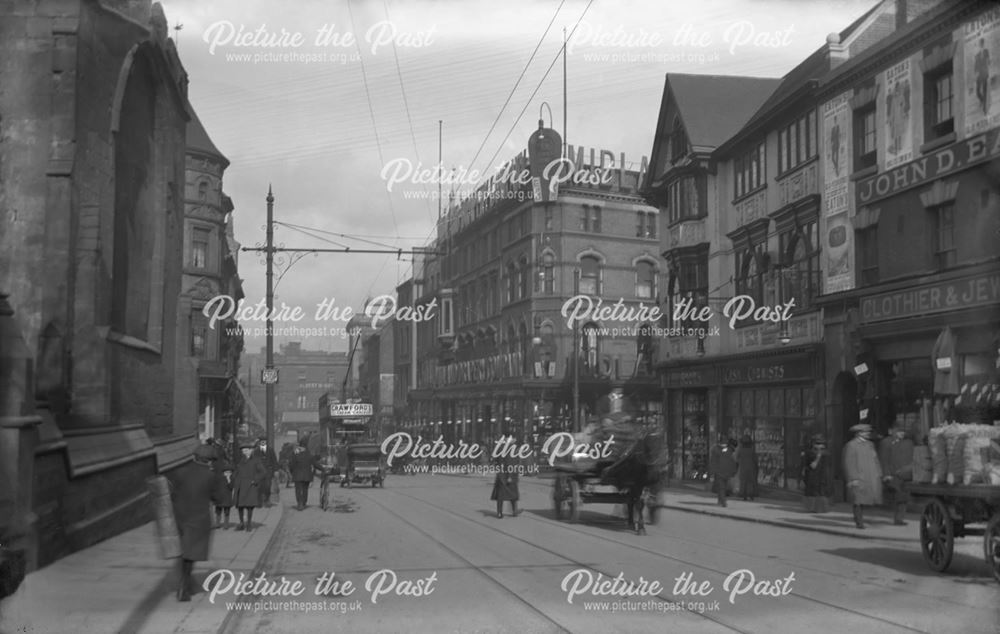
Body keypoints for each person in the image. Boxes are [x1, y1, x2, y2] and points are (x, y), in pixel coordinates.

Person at [170, 445, 221, 602]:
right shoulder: (210, 476)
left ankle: (185, 582)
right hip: (198, 518)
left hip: (179, 516)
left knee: (184, 551)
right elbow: (217, 497)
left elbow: (172, 491)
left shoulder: (181, 471)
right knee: (190, 554)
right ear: (209, 460)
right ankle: (184, 588)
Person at [843, 423, 883, 529]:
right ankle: (859, 522)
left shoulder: (870, 444)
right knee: (858, 500)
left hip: (870, 476)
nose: (868, 434)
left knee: (870, 498)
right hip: (859, 477)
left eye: (868, 432)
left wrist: (879, 473)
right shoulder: (851, 445)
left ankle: (868, 520)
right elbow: (849, 462)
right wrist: (853, 478)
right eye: (865, 432)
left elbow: (875, 459)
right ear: (859, 433)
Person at [879, 420, 914, 526]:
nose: (901, 433)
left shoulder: (908, 443)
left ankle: (899, 518)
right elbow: (884, 460)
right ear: (892, 431)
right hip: (893, 474)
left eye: (903, 431)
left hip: (906, 474)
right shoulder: (886, 442)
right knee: (899, 496)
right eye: (899, 431)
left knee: (904, 497)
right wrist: (886, 474)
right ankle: (897, 518)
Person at [233, 443, 268, 531]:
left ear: (251, 451)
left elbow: (263, 472)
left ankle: (248, 524)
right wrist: (233, 478)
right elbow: (236, 471)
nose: (244, 452)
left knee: (249, 506)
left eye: (246, 450)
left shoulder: (256, 460)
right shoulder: (240, 460)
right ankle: (241, 523)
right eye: (243, 451)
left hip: (250, 486)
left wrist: (255, 480)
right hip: (240, 485)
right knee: (240, 506)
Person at [801, 434, 831, 513]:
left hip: (822, 476)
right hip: (812, 476)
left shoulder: (826, 454)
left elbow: (828, 465)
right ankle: (812, 508)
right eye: (817, 443)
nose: (819, 446)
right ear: (813, 444)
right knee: (813, 492)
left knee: (822, 492)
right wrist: (818, 457)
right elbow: (812, 466)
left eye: (821, 444)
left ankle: (821, 509)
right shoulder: (809, 453)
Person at [709, 434, 738, 507]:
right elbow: (733, 461)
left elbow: (713, 461)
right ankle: (720, 500)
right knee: (723, 486)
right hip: (727, 471)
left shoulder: (715, 449)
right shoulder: (730, 449)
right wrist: (733, 471)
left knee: (721, 487)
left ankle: (723, 501)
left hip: (719, 471)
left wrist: (712, 472)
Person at [490, 453, 520, 518]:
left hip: (502, 476)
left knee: (501, 495)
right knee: (511, 494)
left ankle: (500, 512)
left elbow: (495, 461)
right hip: (507, 475)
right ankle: (513, 511)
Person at [289, 441, 315, 510]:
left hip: (297, 475)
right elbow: (315, 464)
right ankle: (304, 503)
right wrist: (323, 469)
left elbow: (291, 465)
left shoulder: (295, 454)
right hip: (307, 475)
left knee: (298, 490)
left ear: (300, 447)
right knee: (305, 489)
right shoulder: (309, 454)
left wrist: (292, 472)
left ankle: (300, 503)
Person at [254, 437, 279, 507]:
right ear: (259, 442)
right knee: (259, 486)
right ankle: (259, 502)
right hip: (259, 472)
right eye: (262, 441)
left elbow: (274, 460)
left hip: (268, 471)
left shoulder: (270, 450)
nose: (263, 443)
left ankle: (267, 500)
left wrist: (276, 470)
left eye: (264, 441)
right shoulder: (256, 451)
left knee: (267, 486)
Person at [735, 430, 757, 502]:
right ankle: (750, 494)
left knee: (743, 481)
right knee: (750, 481)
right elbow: (755, 458)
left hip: (743, 467)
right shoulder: (751, 449)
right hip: (751, 467)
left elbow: (736, 458)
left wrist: (739, 461)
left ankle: (743, 495)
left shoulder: (741, 449)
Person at [212, 462, 235, 529]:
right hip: (219, 497)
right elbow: (215, 487)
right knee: (218, 511)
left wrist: (229, 480)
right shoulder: (219, 478)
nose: (227, 474)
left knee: (227, 512)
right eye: (226, 472)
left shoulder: (232, 479)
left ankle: (226, 524)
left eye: (229, 472)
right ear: (223, 473)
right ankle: (217, 523)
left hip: (227, 498)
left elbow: (231, 487)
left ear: (231, 473)